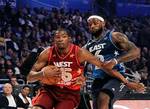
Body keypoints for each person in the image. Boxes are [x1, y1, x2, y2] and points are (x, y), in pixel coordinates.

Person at [27, 28, 144, 109]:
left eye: (63, 37)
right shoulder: (47, 53)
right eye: (57, 37)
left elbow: (104, 67)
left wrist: (126, 82)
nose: (60, 39)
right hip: (49, 89)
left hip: (69, 92)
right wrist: (41, 74)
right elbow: (29, 77)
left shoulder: (80, 53)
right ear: (54, 39)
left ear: (69, 38)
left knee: (102, 101)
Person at [85, 15, 145, 109]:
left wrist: (115, 61)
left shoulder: (114, 36)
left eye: (95, 23)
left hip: (117, 77)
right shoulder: (87, 46)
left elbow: (136, 51)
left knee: (103, 97)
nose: (92, 26)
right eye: (90, 24)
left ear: (103, 23)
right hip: (98, 80)